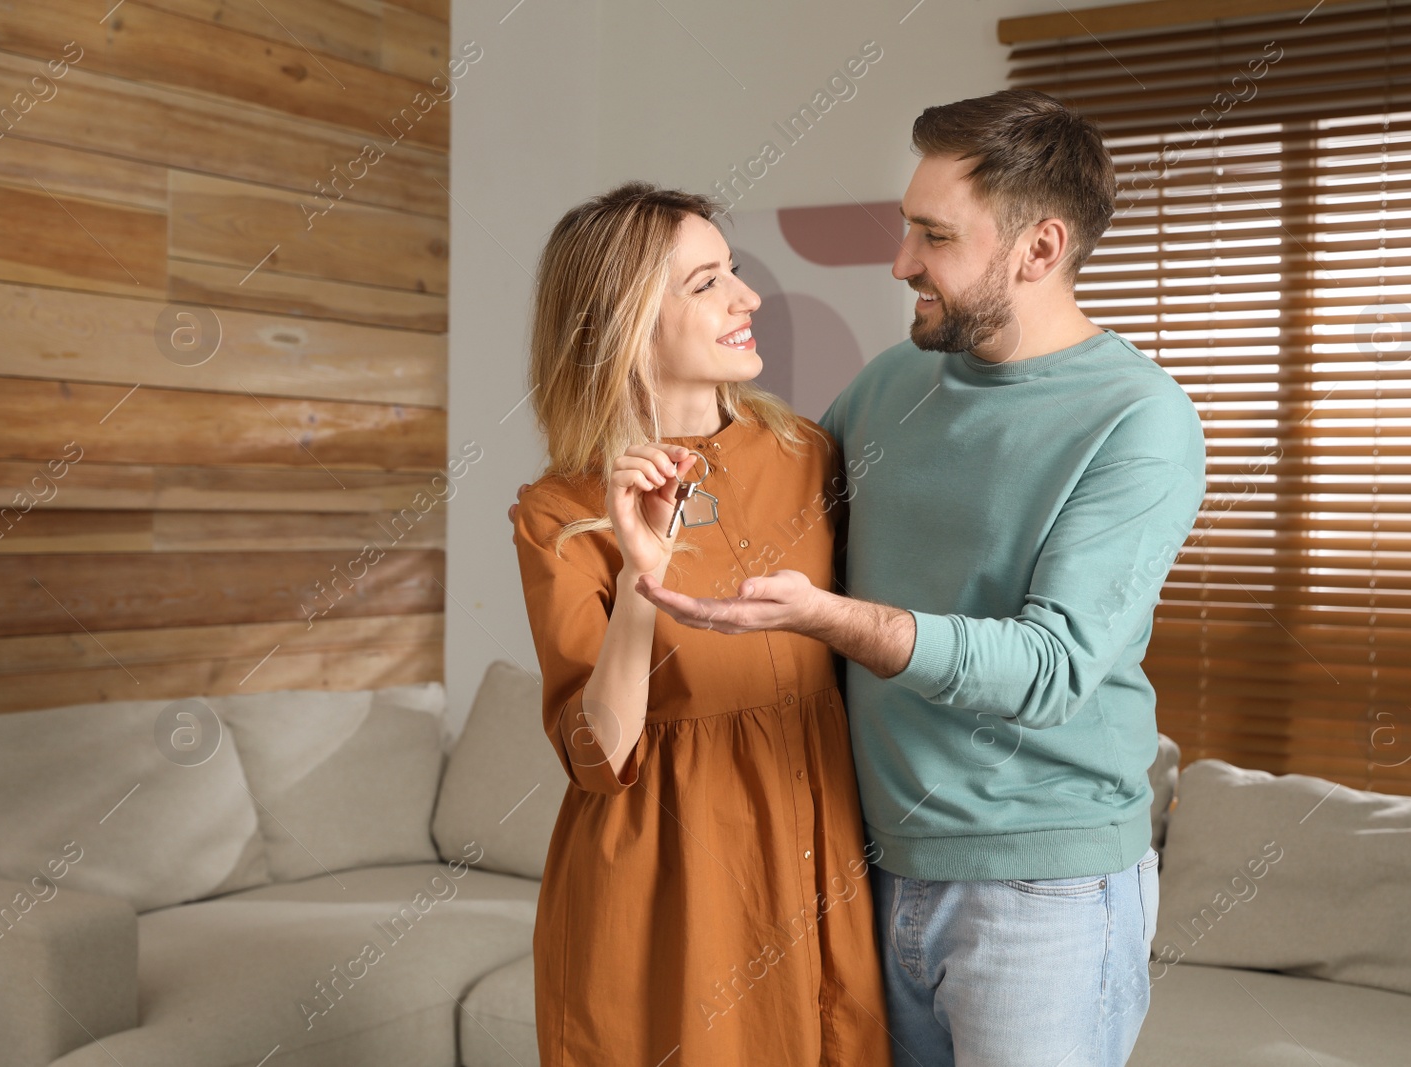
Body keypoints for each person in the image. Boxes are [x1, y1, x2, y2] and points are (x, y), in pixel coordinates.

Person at [635, 89, 1207, 1067]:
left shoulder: (1139, 421)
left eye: (932, 236)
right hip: (869, 867)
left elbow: (1050, 666)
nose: (900, 263)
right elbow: (771, 495)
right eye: (906, 228)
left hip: (1044, 891)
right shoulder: (896, 381)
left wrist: (835, 618)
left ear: (1038, 250)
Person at [508, 182, 893, 1067]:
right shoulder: (558, 511)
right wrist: (646, 574)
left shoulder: (812, 458)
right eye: (705, 283)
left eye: (736, 272)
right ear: (623, 326)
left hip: (815, 847)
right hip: (662, 882)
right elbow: (597, 756)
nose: (747, 297)